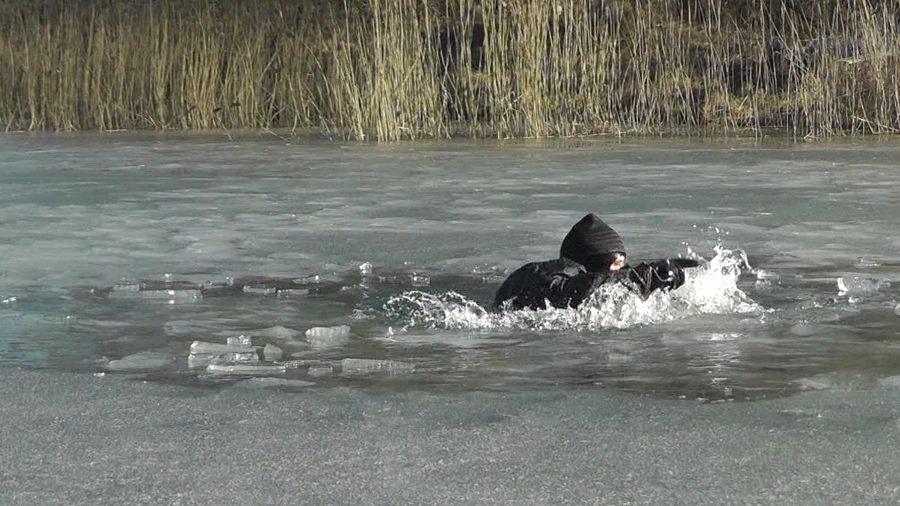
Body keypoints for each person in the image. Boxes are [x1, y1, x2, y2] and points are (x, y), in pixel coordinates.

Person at [492, 213, 698, 310]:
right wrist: (639, 280)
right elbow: (573, 291)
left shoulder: (550, 270)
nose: (621, 271)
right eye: (616, 264)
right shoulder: (551, 277)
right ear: (588, 262)